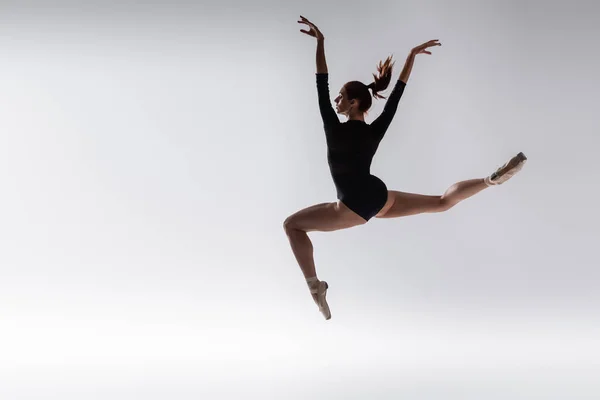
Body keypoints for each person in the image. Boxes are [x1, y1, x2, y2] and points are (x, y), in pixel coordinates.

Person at [284, 16, 527, 320]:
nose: (336, 101)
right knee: (441, 202)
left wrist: (321, 44)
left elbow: (321, 81)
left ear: (355, 103)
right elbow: (396, 94)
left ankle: (314, 286)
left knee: (291, 225)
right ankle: (489, 180)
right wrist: (410, 58)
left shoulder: (334, 127)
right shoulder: (375, 130)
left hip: (353, 202)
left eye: (342, 98)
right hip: (378, 194)